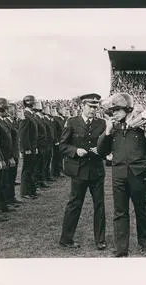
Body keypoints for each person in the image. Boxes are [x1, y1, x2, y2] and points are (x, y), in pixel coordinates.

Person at [97, 92, 146, 257]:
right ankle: (121, 248)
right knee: (120, 212)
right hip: (119, 174)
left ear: (127, 109)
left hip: (139, 174)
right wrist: (107, 132)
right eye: (113, 111)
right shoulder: (113, 128)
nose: (114, 113)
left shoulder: (142, 124)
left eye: (118, 110)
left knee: (141, 209)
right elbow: (101, 150)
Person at [59, 93, 107, 249]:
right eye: (90, 106)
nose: (93, 110)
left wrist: (101, 150)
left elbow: (107, 145)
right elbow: (63, 146)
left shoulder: (102, 124)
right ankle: (66, 239)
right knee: (74, 205)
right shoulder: (72, 123)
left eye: (95, 107)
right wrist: (75, 150)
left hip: (96, 171)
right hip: (79, 171)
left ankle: (100, 240)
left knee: (99, 206)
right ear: (82, 106)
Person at [0, 98, 16, 221]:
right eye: (6, 108)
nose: (8, 110)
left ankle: (2, 206)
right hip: (0, 157)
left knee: (2, 182)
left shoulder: (1, 120)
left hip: (5, 156)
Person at [19, 95, 39, 200]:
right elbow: (23, 134)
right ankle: (25, 192)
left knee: (31, 169)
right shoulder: (25, 115)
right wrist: (25, 149)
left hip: (32, 147)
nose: (35, 104)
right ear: (29, 103)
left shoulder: (31, 115)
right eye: (34, 102)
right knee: (27, 170)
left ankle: (31, 191)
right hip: (28, 148)